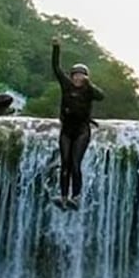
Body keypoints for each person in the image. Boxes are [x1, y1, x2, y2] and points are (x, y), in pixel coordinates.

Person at [50, 34, 104, 210]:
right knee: (64, 163)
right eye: (75, 75)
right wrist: (56, 48)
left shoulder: (89, 90)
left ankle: (77, 196)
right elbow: (56, 68)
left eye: (81, 76)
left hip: (82, 131)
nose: (77, 78)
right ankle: (64, 197)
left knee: (75, 164)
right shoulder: (66, 85)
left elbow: (101, 96)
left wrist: (90, 84)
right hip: (67, 130)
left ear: (86, 77)